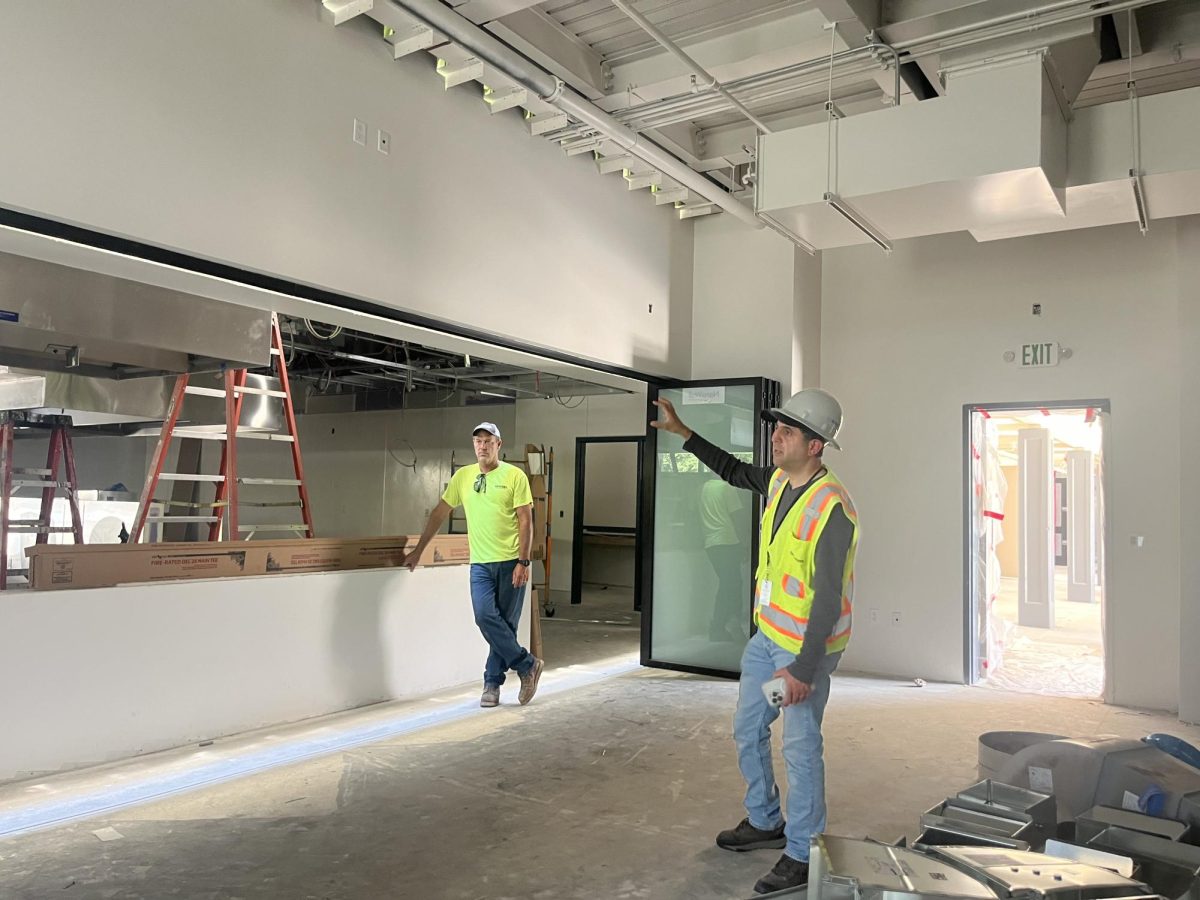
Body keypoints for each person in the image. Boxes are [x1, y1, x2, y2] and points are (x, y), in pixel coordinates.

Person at [652, 389, 858, 895]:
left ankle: (802, 850)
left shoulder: (831, 508)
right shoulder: (780, 483)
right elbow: (732, 469)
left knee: (800, 746)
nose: (776, 435)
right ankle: (765, 820)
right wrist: (685, 435)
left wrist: (805, 670)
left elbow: (828, 599)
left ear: (816, 446)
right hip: (768, 643)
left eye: (788, 430)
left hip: (802, 654)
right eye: (776, 427)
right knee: (748, 727)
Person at [404, 422, 544, 708]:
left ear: (498, 445)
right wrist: (420, 549)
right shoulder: (463, 476)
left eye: (488, 441)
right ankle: (527, 664)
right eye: (478, 441)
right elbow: (440, 512)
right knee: (484, 617)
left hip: (510, 561)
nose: (482, 446)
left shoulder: (515, 476)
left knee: (505, 624)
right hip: (480, 563)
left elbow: (526, 520)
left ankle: (492, 684)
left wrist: (523, 561)